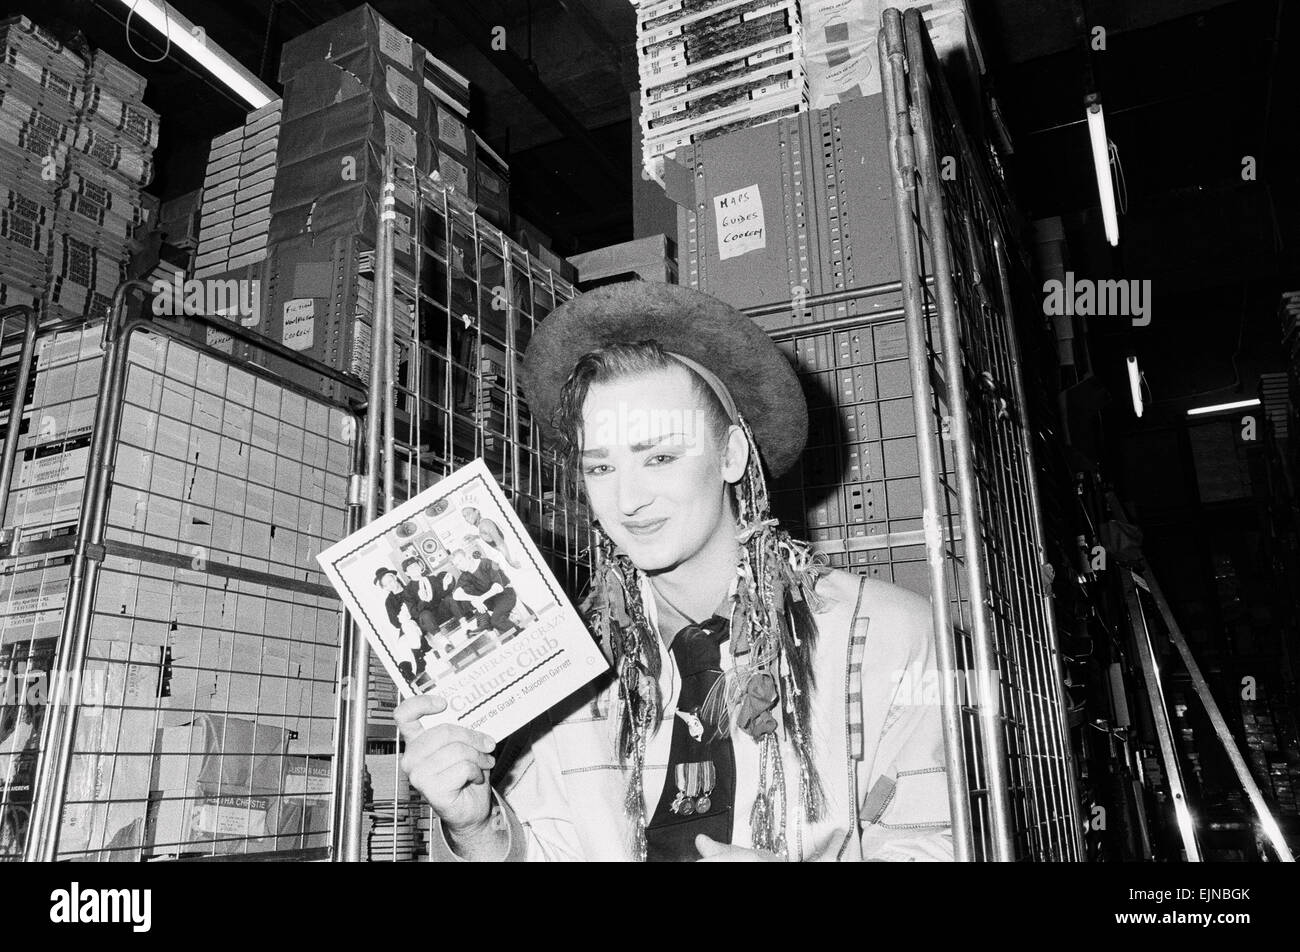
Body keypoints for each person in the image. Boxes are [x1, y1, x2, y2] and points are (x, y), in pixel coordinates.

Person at [395, 281, 953, 862]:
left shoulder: (896, 637)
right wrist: (478, 824)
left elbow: (946, 841)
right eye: (602, 467)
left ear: (732, 455)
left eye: (659, 457)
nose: (628, 498)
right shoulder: (567, 666)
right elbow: (548, 846)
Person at [448, 548, 518, 636]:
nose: (460, 566)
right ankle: (484, 621)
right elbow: (456, 595)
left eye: (460, 561)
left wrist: (480, 599)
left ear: (468, 557)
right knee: (466, 591)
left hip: (506, 595)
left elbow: (498, 587)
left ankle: (519, 633)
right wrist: (475, 599)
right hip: (491, 600)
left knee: (496, 620)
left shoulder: (486, 563)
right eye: (456, 565)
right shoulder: (465, 575)